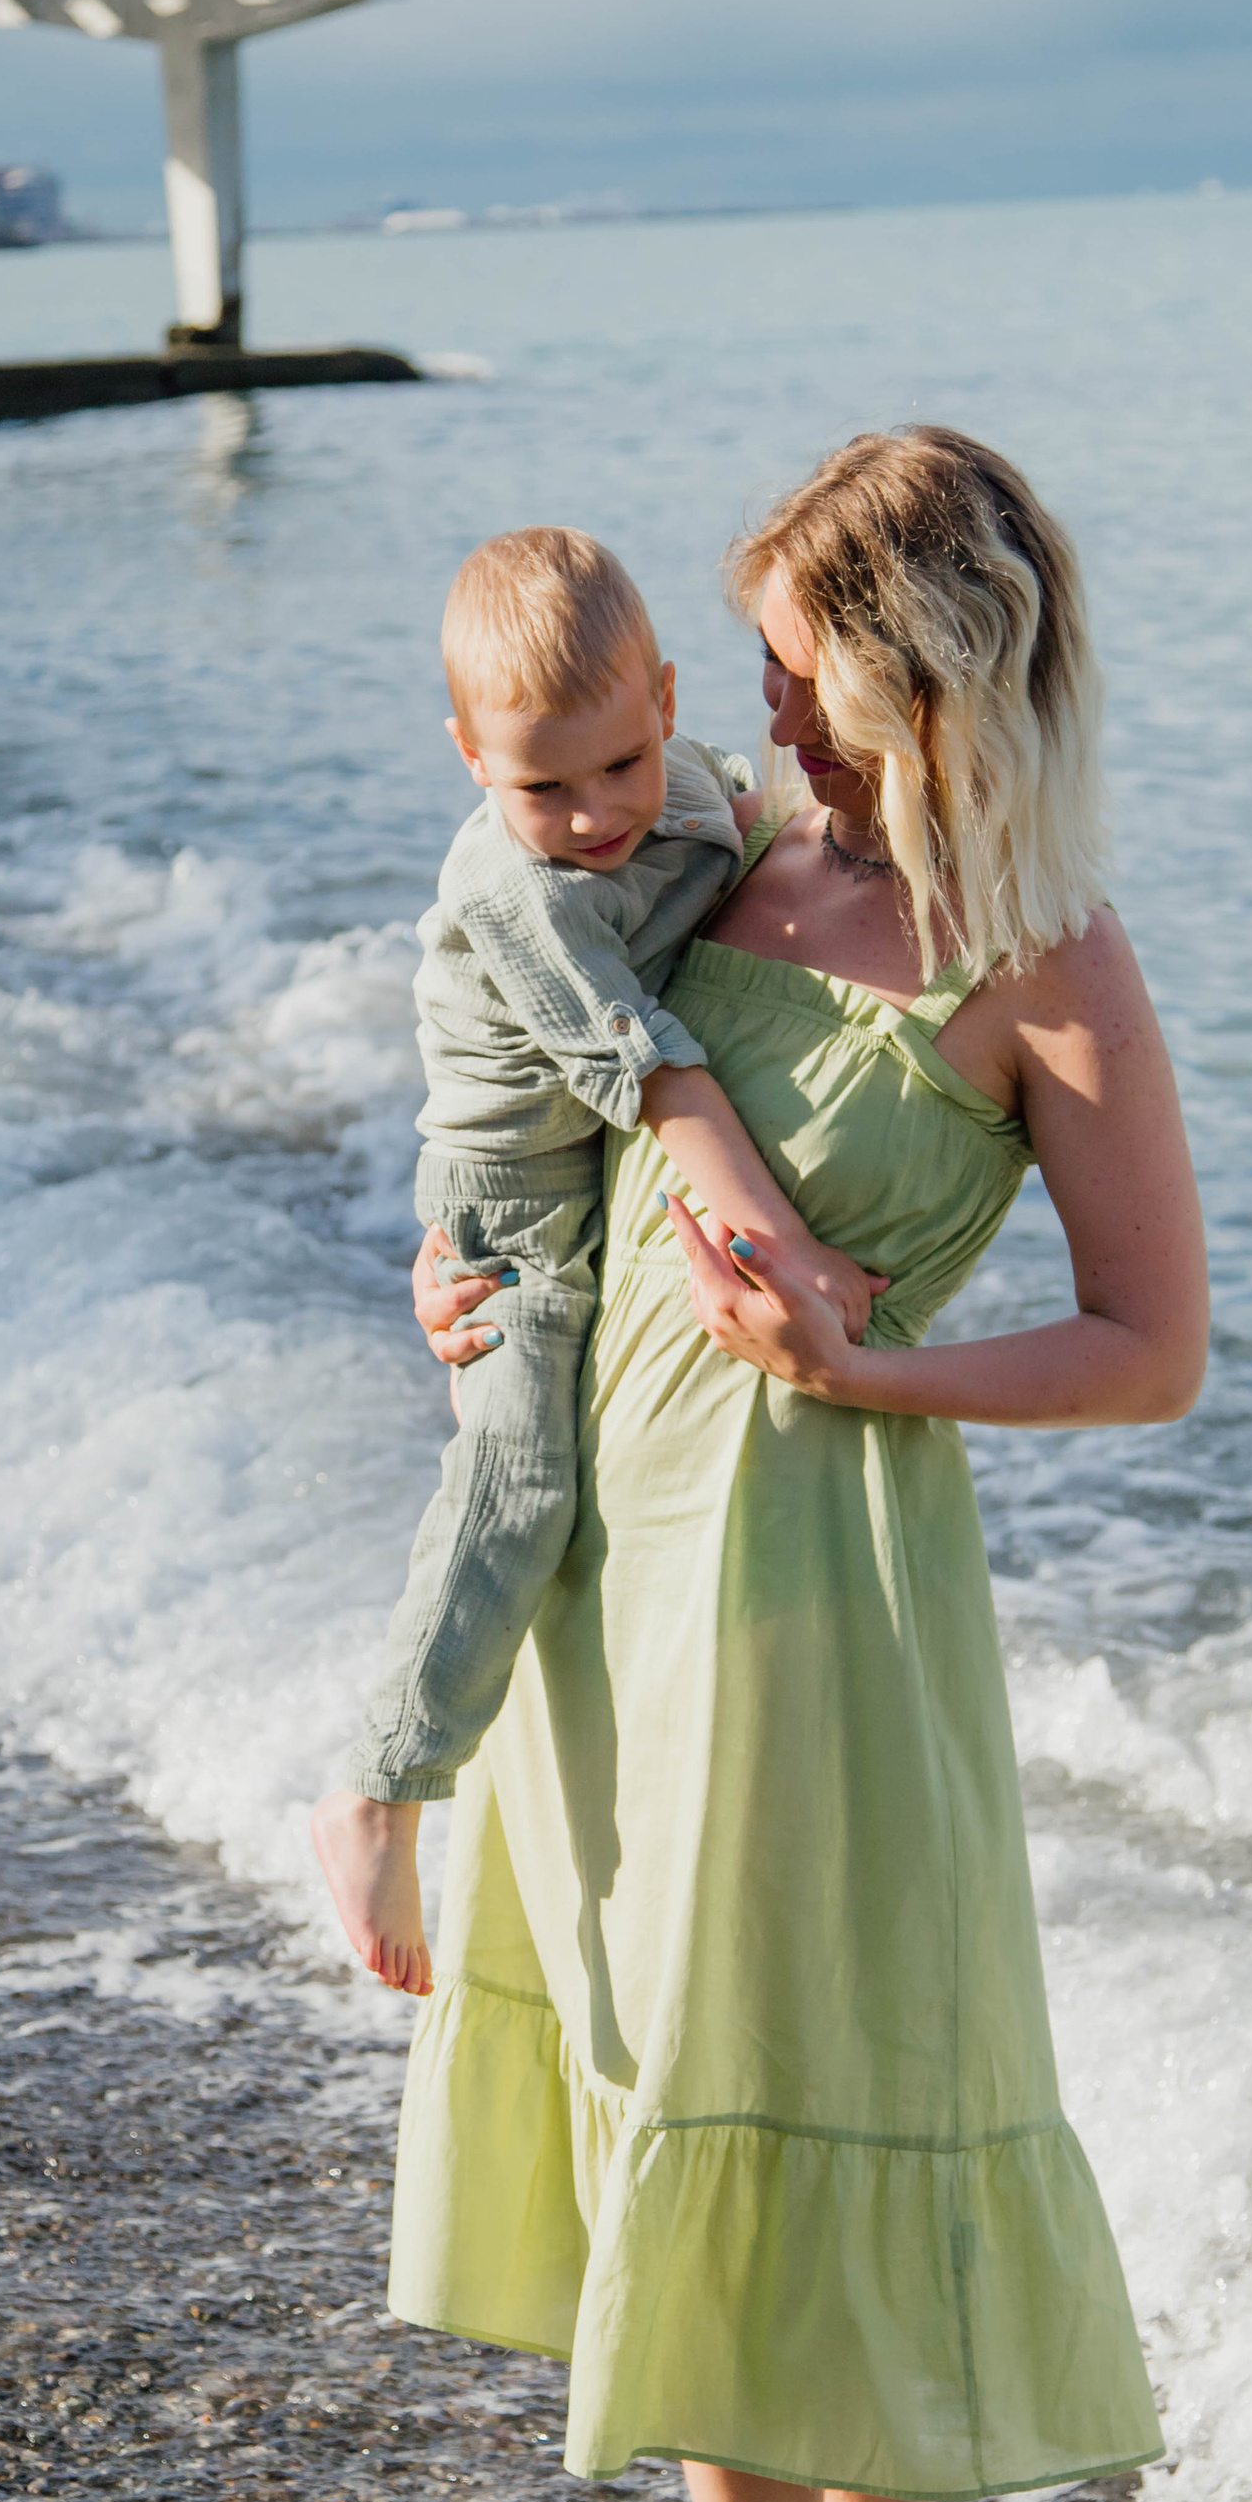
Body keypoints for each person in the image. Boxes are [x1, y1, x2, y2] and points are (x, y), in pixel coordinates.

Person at [386, 430, 1208, 2502]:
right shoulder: (711, 851)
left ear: (931, 676)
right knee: (656, 2049)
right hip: (591, 1567)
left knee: (745, 2062)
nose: (760, 709)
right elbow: (523, 1075)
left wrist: (882, 1363)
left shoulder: (1037, 956)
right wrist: (450, 1268)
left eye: (800, 668)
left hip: (798, 1584)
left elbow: (1149, 1350)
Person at [313, 526, 885, 1996]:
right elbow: (658, 1074)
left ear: (671, 704)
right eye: (539, 786)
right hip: (514, 1202)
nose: (590, 818)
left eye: (620, 767)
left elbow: (763, 837)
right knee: (522, 1484)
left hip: (591, 1161)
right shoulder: (526, 895)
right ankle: (382, 1780)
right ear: (467, 759)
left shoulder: (690, 785)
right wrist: (794, 1248)